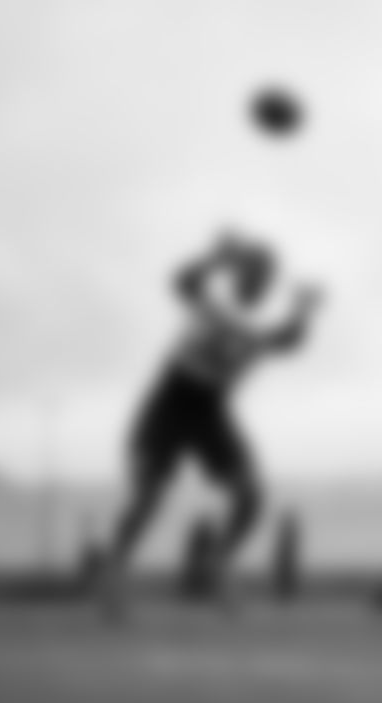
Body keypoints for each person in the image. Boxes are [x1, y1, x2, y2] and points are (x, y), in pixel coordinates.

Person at [97, 229, 323, 614]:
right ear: (239, 276)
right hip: (172, 399)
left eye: (265, 278)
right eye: (252, 274)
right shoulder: (212, 301)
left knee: (251, 495)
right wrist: (216, 257)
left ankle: (219, 561)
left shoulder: (262, 322)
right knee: (149, 495)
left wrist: (305, 310)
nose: (258, 284)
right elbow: (181, 281)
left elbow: (289, 342)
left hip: (211, 408)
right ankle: (114, 571)